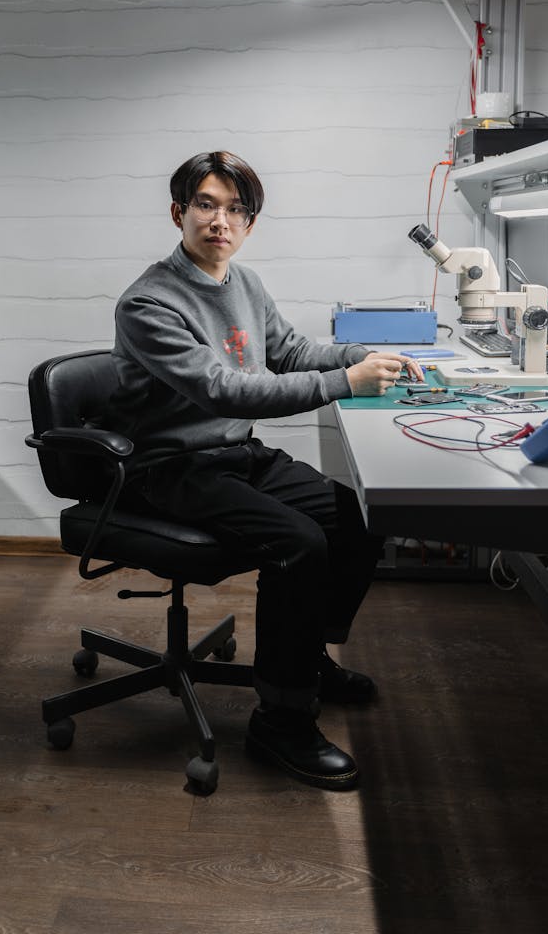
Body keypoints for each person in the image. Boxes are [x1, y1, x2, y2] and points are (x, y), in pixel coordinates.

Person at [104, 150, 423, 790]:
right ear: (178, 212)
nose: (220, 220)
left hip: (234, 456)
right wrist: (344, 383)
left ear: (248, 225)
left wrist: (367, 355)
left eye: (236, 210)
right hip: (171, 466)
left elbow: (289, 351)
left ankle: (305, 659)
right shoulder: (148, 304)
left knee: (359, 514)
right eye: (206, 204)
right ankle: (280, 719)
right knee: (297, 544)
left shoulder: (243, 283)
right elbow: (225, 391)